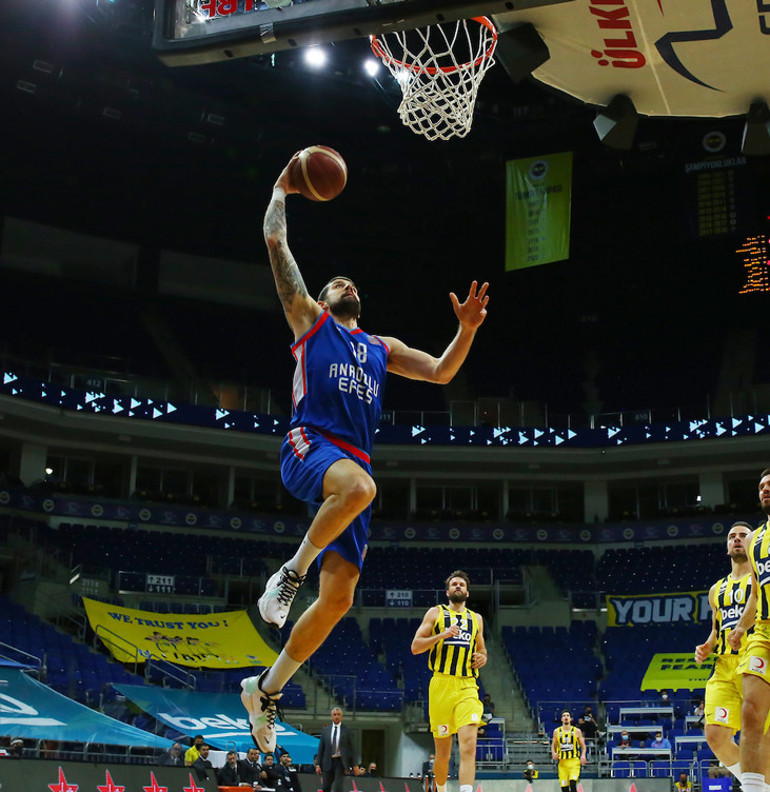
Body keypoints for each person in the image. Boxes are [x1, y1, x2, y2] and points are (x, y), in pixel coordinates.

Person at [239, 157, 490, 753]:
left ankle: (265, 691)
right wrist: (280, 187)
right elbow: (276, 241)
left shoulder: (381, 346)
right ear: (323, 299)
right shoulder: (309, 320)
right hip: (311, 443)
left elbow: (440, 371)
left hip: (353, 467)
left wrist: (468, 329)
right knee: (360, 490)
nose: (347, 284)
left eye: (352, 284)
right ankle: (289, 574)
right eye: (337, 283)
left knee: (341, 598)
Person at [411, 570, 488, 792]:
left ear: (467, 592)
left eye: (461, 584)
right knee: (443, 753)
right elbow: (416, 647)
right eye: (454, 584)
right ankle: (441, 788)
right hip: (441, 685)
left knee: (469, 746)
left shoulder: (476, 619)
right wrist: (441, 636)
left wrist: (482, 657)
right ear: (447, 592)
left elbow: (481, 648)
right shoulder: (435, 613)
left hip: (467, 686)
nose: (457, 587)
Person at [693, 521, 754, 782]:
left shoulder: (762, 579)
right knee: (715, 735)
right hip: (723, 665)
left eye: (743, 536)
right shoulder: (716, 589)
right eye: (732, 536)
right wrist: (708, 645)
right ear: (727, 546)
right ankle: (756, 784)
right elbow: (717, 629)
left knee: (758, 732)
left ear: (753, 543)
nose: (737, 539)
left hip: (755, 659)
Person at [728, 468, 770, 792]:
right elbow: (756, 592)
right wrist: (741, 628)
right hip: (765, 633)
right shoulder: (755, 539)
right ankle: (755, 788)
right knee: (751, 707)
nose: (765, 490)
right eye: (761, 487)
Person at [315, 707, 355, 792]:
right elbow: (321, 748)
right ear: (331, 716)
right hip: (328, 761)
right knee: (325, 787)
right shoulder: (326, 730)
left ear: (342, 717)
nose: (337, 716)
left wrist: (354, 764)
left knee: (338, 787)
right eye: (335, 714)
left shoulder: (346, 730)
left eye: (338, 714)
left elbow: (351, 749)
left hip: (340, 761)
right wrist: (318, 764)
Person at [551, 711, 586, 792]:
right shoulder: (556, 731)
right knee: (564, 788)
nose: (566, 717)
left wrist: (583, 755)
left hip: (574, 761)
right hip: (562, 763)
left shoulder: (577, 731)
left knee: (573, 783)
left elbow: (583, 746)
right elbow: (553, 745)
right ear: (561, 719)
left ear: (571, 719)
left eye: (568, 715)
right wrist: (553, 753)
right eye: (564, 716)